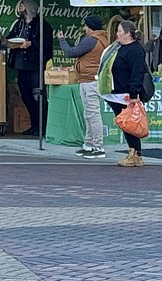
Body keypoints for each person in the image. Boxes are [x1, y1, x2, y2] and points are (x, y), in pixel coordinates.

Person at [56, 15, 108, 157]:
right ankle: (89, 144)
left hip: (89, 80)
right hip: (90, 79)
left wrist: (62, 40)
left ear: (90, 26)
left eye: (85, 26)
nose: (84, 28)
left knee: (93, 113)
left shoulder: (91, 40)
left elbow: (71, 52)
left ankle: (98, 147)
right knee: (89, 113)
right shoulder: (102, 39)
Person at [99, 18, 147, 168]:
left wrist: (134, 95)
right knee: (125, 123)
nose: (117, 34)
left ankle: (135, 153)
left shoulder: (136, 50)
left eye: (120, 31)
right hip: (115, 92)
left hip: (125, 94)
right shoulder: (118, 47)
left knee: (128, 124)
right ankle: (135, 153)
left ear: (128, 33)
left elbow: (136, 73)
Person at [6, 0, 53, 135]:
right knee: (25, 95)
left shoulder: (43, 25)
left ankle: (43, 127)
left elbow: (47, 44)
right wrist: (12, 43)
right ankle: (34, 125)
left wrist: (31, 44)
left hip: (35, 66)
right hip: (22, 66)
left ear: (29, 8)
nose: (20, 9)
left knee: (38, 96)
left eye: (22, 6)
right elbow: (9, 37)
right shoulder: (18, 24)